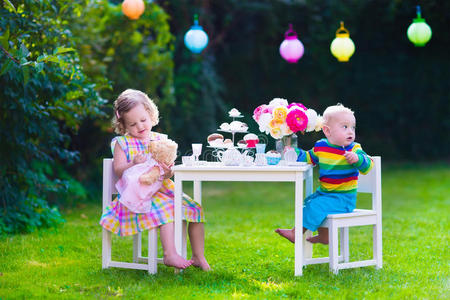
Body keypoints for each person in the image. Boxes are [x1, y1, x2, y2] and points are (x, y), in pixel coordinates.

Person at [100, 89, 210, 270]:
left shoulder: (160, 140)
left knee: (195, 209)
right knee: (167, 208)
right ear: (124, 126)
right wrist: (133, 163)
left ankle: (198, 256)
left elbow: (167, 171)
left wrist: (168, 172)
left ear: (151, 114)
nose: (140, 126)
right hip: (138, 196)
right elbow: (119, 170)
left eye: (143, 120)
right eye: (133, 124)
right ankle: (170, 254)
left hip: (164, 190)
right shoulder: (122, 143)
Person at [275, 104, 373, 245]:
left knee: (317, 205)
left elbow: (368, 166)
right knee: (310, 202)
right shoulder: (321, 146)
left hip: (343, 199)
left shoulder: (355, 149)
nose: (350, 131)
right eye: (345, 127)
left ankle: (295, 233)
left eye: (353, 127)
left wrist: (358, 159)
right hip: (325, 193)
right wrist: (294, 152)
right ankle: (324, 236)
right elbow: (308, 158)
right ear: (327, 131)